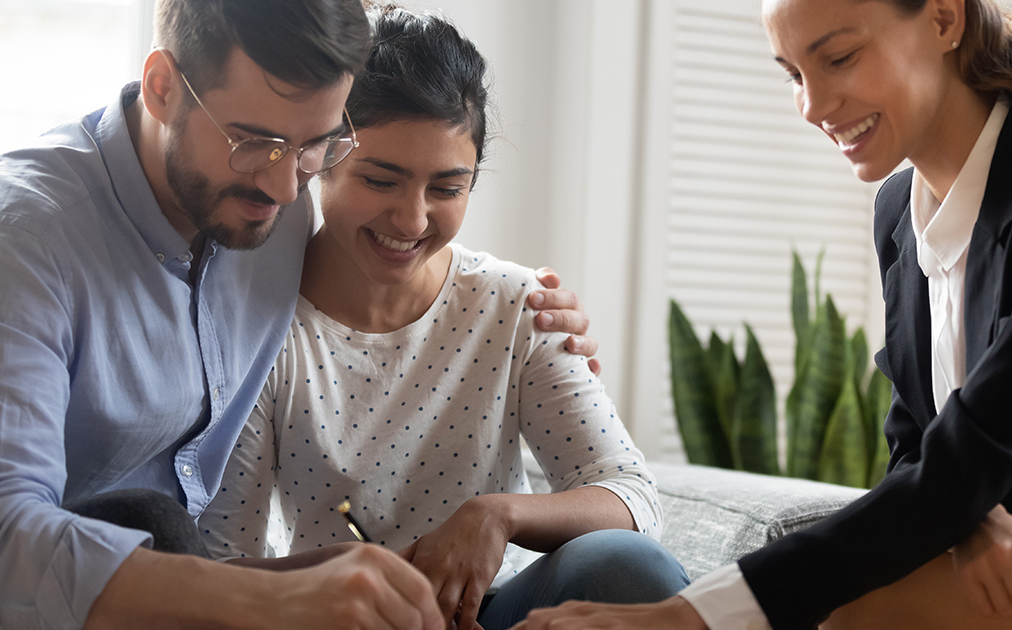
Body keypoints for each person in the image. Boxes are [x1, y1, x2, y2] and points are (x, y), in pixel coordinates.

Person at [0, 1, 596, 628]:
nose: (288, 190)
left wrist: (524, 304)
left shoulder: (271, 209)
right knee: (147, 517)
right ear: (162, 86)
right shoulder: (16, 236)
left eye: (317, 145)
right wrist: (262, 602)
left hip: (185, 581)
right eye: (256, 142)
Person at [516, 0, 1012, 629]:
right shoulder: (900, 211)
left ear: (944, 20)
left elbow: (982, 443)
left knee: (856, 610)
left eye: (839, 58)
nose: (813, 107)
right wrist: (974, 521)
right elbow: (917, 446)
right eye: (795, 74)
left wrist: (686, 616)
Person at [197, 6, 690, 630]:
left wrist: (495, 515)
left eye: (447, 189)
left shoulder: (516, 306)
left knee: (625, 565)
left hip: (492, 615)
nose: (411, 220)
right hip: (332, 616)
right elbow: (223, 565)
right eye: (381, 180)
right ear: (322, 156)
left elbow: (631, 495)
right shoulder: (260, 330)